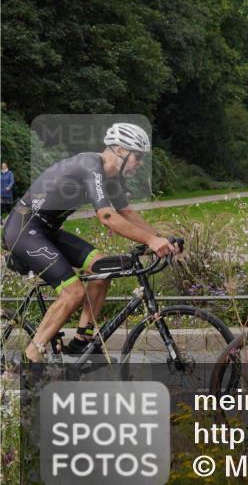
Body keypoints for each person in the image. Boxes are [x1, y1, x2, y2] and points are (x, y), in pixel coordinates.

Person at [2, 123, 179, 363]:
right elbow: (106, 215)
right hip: (24, 229)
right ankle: (32, 355)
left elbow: (125, 212)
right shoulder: (90, 165)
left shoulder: (111, 177)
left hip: (48, 230)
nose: (139, 164)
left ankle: (80, 344)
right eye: (138, 157)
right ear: (119, 150)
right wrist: (150, 240)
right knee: (72, 292)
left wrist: (160, 239)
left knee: (103, 269)